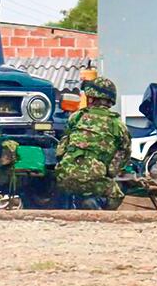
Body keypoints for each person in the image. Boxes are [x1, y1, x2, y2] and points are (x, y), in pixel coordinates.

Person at [55, 76, 131, 210]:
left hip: (65, 177)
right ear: (110, 100)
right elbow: (122, 157)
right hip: (95, 180)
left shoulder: (76, 117)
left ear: (91, 98)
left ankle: (72, 206)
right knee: (116, 194)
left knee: (72, 184)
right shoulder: (118, 125)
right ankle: (96, 206)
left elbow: (61, 149)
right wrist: (108, 171)